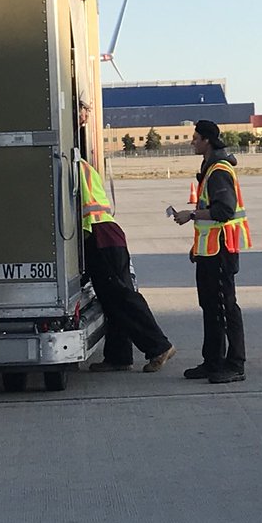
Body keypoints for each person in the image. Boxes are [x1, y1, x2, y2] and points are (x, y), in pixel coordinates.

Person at [77, 101, 176, 373]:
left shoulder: (75, 168)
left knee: (121, 296)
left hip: (101, 235)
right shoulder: (83, 166)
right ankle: (119, 357)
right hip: (106, 234)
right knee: (112, 299)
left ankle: (159, 346)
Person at [171, 119, 251, 383]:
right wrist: (197, 247)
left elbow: (224, 210)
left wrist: (191, 214)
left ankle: (235, 364)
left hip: (221, 252)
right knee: (210, 306)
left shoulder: (218, 171)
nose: (192, 142)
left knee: (226, 306)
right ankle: (213, 361)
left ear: (207, 140)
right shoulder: (210, 168)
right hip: (209, 251)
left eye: (196, 138)